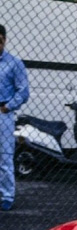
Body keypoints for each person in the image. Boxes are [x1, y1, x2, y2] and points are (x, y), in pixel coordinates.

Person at [0, 24, 30, 212]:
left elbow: (23, 91)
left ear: (4, 40)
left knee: (4, 156)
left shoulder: (14, 63)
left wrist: (8, 107)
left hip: (2, 114)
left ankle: (6, 196)